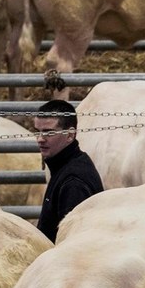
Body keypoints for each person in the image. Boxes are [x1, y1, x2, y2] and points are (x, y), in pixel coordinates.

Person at [33, 99, 104, 242]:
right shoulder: (66, 166)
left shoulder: (73, 182)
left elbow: (72, 243)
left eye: (48, 132)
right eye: (37, 132)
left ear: (70, 135)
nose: (40, 139)